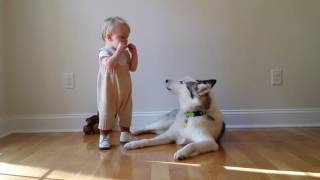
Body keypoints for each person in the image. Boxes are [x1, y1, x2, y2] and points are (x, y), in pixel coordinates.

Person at [97, 16, 138, 150]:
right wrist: (119, 51)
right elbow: (109, 65)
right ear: (109, 37)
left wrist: (134, 54)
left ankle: (125, 134)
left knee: (126, 111)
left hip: (124, 89)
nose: (126, 41)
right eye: (122, 37)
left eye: (127, 37)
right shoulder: (104, 52)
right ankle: (104, 137)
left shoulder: (125, 53)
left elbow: (132, 68)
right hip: (109, 90)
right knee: (106, 112)